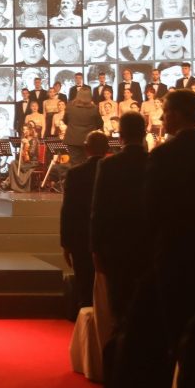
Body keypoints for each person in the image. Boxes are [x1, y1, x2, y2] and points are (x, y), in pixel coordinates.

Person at [144, 89, 195, 351]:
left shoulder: (162, 155)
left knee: (174, 322)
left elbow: (152, 209)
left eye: (165, 112)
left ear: (177, 115)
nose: (162, 117)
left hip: (173, 250)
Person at [90, 112, 149, 322]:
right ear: (144, 133)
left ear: (120, 135)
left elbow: (99, 209)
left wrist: (96, 248)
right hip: (147, 242)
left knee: (119, 304)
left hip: (116, 243)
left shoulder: (109, 164)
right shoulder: (154, 161)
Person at [60, 130, 109, 309]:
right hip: (108, 237)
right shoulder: (114, 171)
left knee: (85, 286)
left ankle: (84, 319)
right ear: (107, 149)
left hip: (81, 237)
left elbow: (68, 210)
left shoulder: (75, 173)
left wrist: (66, 243)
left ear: (86, 148)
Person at [63, 88, 103, 165]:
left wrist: (73, 126)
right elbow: (100, 124)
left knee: (74, 164)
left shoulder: (70, 107)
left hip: (73, 139)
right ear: (90, 96)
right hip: (89, 141)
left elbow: (65, 121)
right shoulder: (94, 109)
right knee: (89, 164)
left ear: (78, 95)